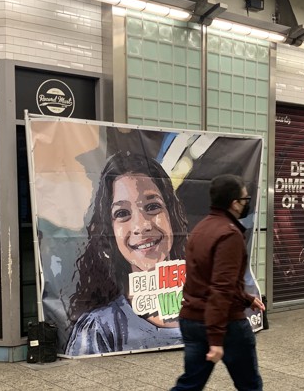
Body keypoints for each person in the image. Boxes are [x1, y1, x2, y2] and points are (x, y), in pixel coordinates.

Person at [66, 153, 189, 355]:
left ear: (172, 216)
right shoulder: (100, 328)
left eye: (152, 207)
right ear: (109, 231)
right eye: (122, 213)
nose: (141, 226)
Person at [172, 174, 265, 391]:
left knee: (190, 384)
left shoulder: (201, 228)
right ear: (235, 204)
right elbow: (220, 288)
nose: (246, 204)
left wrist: (246, 298)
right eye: (245, 199)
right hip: (225, 325)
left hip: (191, 320)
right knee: (250, 385)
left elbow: (209, 279)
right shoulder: (229, 234)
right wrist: (215, 338)